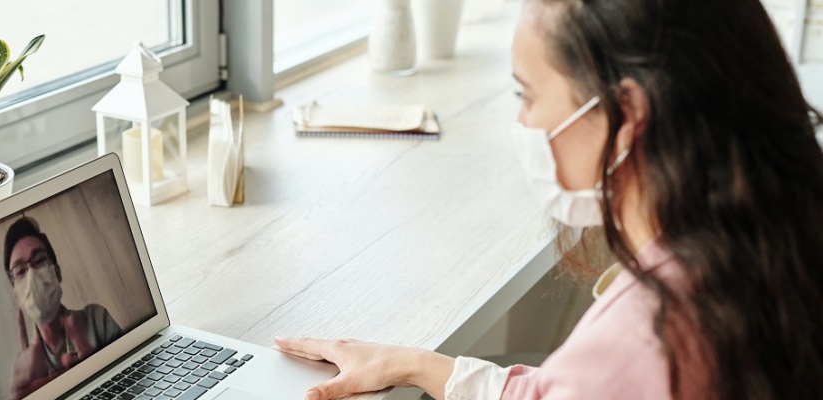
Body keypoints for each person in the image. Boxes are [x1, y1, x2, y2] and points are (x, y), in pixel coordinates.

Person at [274, 0, 823, 399]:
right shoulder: (770, 240)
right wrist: (419, 365)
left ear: (625, 115)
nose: (522, 122)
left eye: (527, 94)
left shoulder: (643, 339)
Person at [3, 217, 123, 399]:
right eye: (20, 270)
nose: (32, 274)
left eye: (39, 260)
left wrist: (99, 374)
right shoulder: (24, 371)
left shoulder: (97, 320)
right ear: (16, 295)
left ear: (57, 273)